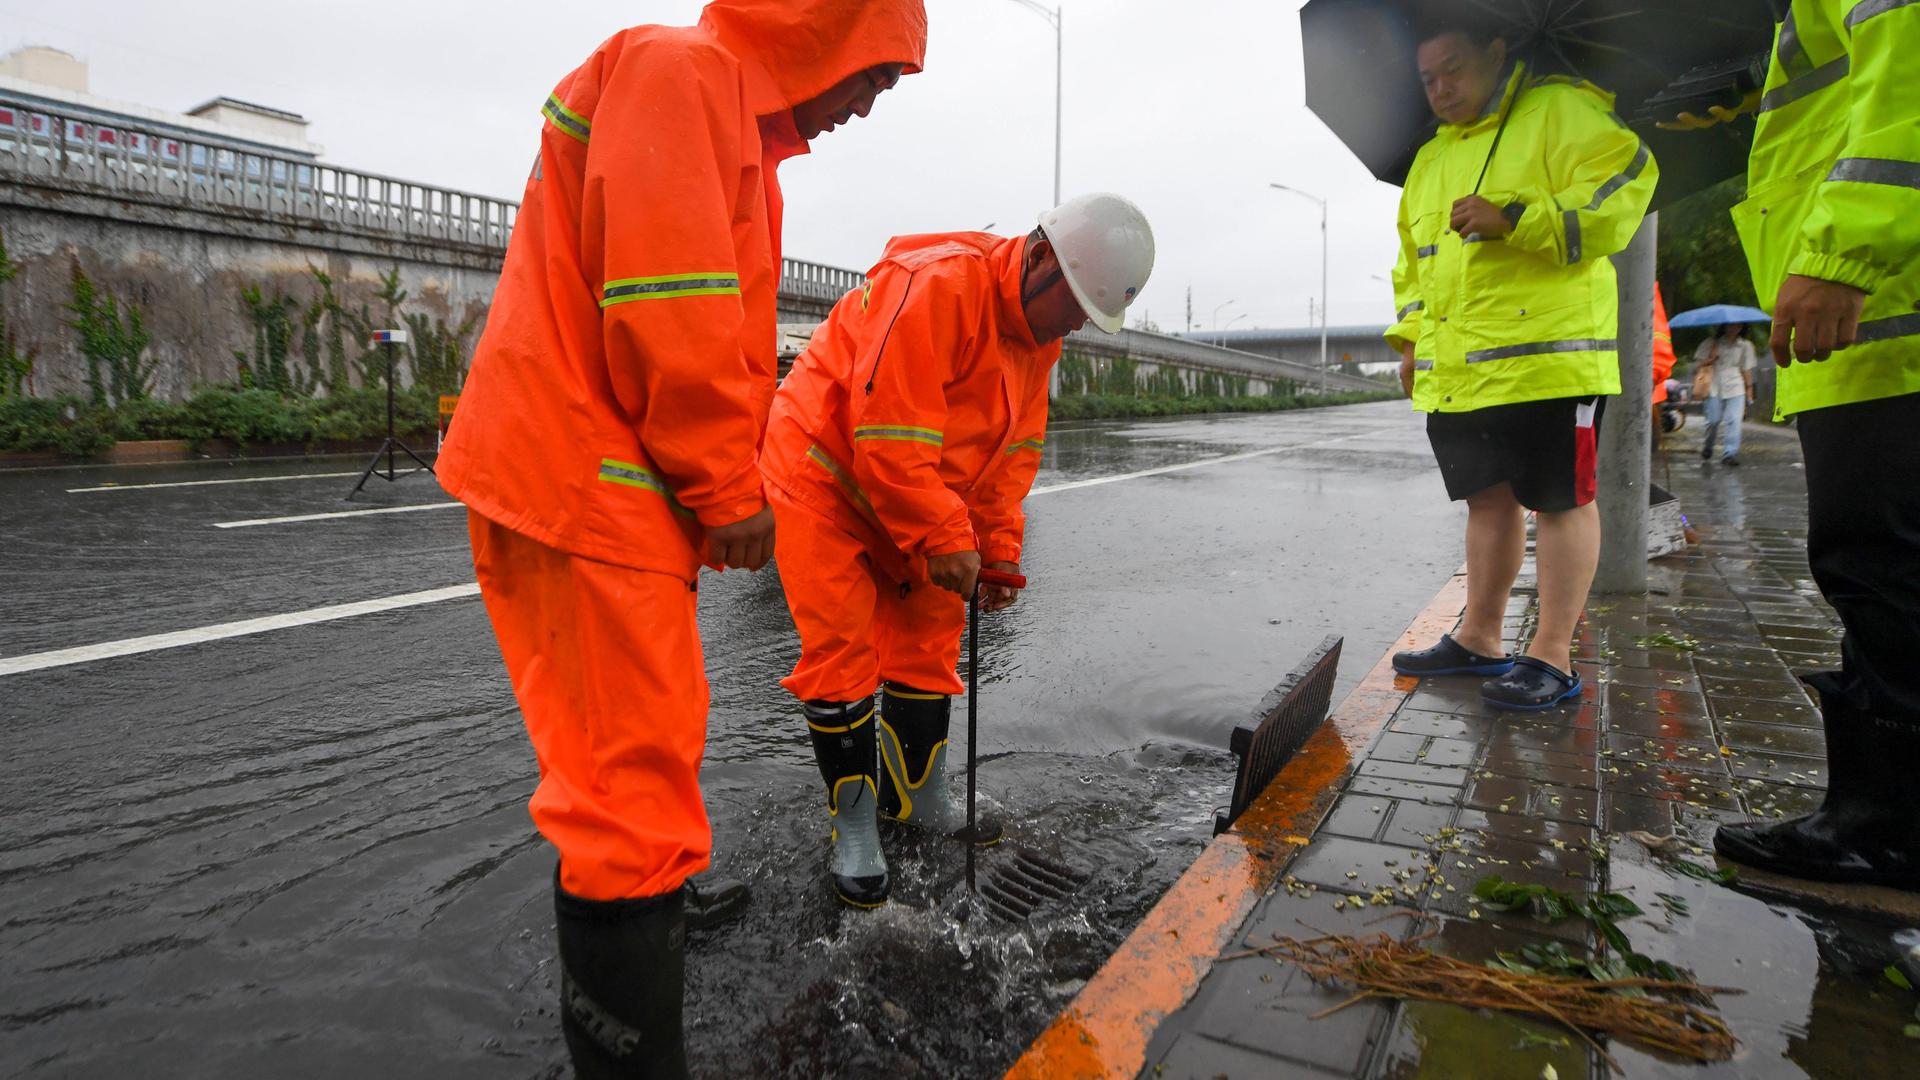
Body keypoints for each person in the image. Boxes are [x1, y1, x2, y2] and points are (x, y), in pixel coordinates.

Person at [435, 2, 927, 1073]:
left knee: (638, 763)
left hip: (594, 480)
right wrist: (724, 486)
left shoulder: (722, 111)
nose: (862, 106)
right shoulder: (686, 75)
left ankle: (651, 910)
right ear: (824, 28)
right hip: (584, 481)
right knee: (627, 797)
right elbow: (670, 298)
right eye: (871, 76)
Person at [762, 194, 1154, 906]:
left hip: (916, 492)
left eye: (1083, 320)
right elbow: (886, 437)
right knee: (842, 652)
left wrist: (998, 550)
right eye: (1069, 307)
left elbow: (1014, 454)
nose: (1068, 328)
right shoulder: (938, 286)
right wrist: (944, 535)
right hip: (827, 476)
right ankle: (855, 826)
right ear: (1038, 257)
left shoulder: (1039, 341)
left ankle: (916, 794)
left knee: (931, 635)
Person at [1383, 16, 1657, 710]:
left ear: (1497, 52)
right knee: (1486, 501)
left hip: (1551, 362)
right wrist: (1413, 337)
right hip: (1465, 370)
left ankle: (1552, 656)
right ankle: (1480, 638)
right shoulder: (1430, 160)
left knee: (1561, 502)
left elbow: (1624, 190)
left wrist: (1519, 216)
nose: (1441, 89)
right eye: (1428, 79)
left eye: (1454, 69)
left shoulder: (1561, 109)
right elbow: (1413, 265)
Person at [1710, 0, 1920, 893]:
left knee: (1880, 560)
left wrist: (1845, 250)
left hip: (1885, 304)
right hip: (1881, 306)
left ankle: (1885, 830)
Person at [1694, 323, 1757, 465]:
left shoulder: (1745, 346)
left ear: (1742, 328)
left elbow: (1746, 369)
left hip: (1735, 385)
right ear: (1724, 326)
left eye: (1737, 326)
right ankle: (1708, 445)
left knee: (1734, 419)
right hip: (1713, 384)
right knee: (1713, 420)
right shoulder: (1710, 343)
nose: (1733, 329)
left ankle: (1730, 453)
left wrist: (1749, 390)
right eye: (1730, 326)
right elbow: (1697, 365)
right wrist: (1711, 359)